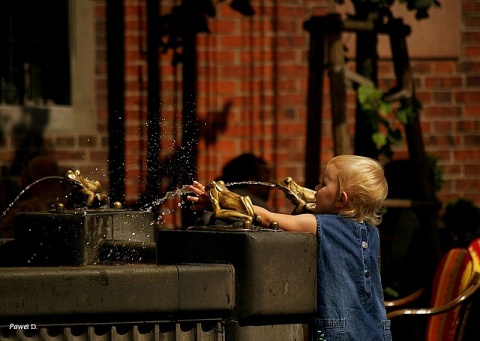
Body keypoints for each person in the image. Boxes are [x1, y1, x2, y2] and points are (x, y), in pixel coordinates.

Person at [188, 154, 391, 340]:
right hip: (374, 330)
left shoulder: (320, 225)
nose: (316, 189)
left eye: (323, 184)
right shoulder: (371, 232)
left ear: (341, 199)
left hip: (338, 332)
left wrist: (220, 201)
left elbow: (268, 218)